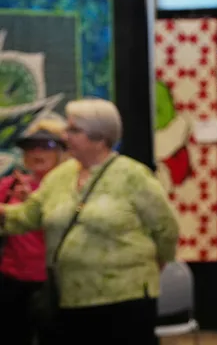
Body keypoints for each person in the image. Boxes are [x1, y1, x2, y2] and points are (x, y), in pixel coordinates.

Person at [0, 98, 180, 345]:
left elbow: (166, 229)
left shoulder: (133, 175)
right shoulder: (59, 178)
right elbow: (25, 217)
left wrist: (155, 263)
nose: (65, 135)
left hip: (126, 300)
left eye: (74, 130)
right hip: (70, 299)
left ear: (100, 137)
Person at [0, 118, 67, 345]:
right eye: (30, 146)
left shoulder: (70, 188)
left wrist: (32, 205)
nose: (37, 152)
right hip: (12, 281)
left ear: (60, 151)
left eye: (46, 145)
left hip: (56, 281)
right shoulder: (7, 186)